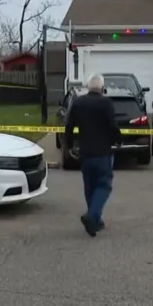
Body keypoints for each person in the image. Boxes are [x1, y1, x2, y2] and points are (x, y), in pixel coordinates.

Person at [63, 74, 120, 237]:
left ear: (88, 87)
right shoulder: (106, 103)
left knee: (90, 187)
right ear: (102, 88)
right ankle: (92, 216)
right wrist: (118, 140)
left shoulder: (79, 103)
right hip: (103, 152)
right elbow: (112, 126)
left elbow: (69, 126)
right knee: (103, 186)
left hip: (85, 153)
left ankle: (94, 221)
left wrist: (69, 145)